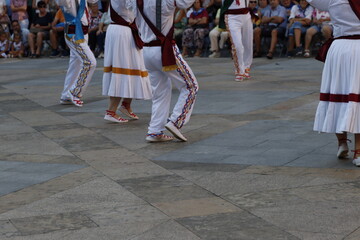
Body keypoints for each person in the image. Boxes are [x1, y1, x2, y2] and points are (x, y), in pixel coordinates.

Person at [136, 0, 199, 142]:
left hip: (146, 50)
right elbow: (186, 3)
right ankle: (176, 121)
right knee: (191, 86)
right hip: (164, 50)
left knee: (160, 91)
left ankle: (154, 131)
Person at [310, 0, 360, 166]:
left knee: (338, 96)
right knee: (356, 98)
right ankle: (358, 151)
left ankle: (342, 142)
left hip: (339, 49)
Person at [102, 0, 152, 123]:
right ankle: (111, 111)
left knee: (134, 67)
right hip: (121, 32)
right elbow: (135, 5)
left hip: (125, 31)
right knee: (121, 69)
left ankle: (126, 104)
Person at [56, 0, 97, 107]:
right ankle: (75, 92)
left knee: (75, 63)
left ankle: (66, 95)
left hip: (82, 32)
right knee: (90, 62)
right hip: (74, 33)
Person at [220, 0, 254, 81]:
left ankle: (246, 68)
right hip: (232, 17)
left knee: (248, 44)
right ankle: (239, 70)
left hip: (246, 16)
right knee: (237, 45)